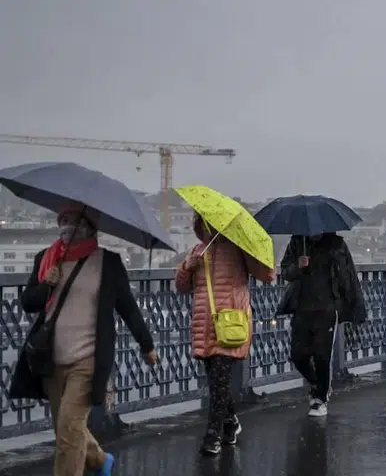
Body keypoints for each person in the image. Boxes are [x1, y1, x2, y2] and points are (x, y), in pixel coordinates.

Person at [9, 202, 158, 476]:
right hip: (51, 359)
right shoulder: (46, 259)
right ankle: (100, 461)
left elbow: (127, 307)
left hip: (88, 360)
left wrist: (146, 344)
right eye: (64, 220)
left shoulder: (108, 263)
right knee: (66, 429)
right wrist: (46, 285)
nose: (69, 227)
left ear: (90, 227)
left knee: (68, 427)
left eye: (75, 221)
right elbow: (28, 303)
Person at [175, 212, 275, 455]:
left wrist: (252, 257)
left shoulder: (238, 250)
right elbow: (181, 286)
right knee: (216, 382)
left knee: (219, 379)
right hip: (204, 324)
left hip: (230, 322)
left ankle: (213, 436)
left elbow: (268, 274)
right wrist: (188, 268)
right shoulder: (197, 252)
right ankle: (230, 423)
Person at [278, 232, 366, 417]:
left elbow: (349, 276)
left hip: (327, 309)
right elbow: (285, 271)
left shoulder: (336, 245)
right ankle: (318, 385)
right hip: (302, 308)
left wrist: (355, 307)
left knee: (322, 356)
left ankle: (320, 400)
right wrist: (298, 267)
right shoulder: (297, 242)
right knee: (298, 355)